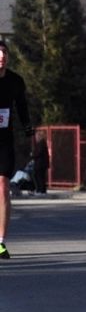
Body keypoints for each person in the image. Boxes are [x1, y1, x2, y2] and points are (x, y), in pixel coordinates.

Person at [0, 40, 33, 258]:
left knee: (3, 186)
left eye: (4, 53)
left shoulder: (15, 81)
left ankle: (1, 242)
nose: (1, 57)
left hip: (4, 141)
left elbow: (22, 108)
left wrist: (29, 131)